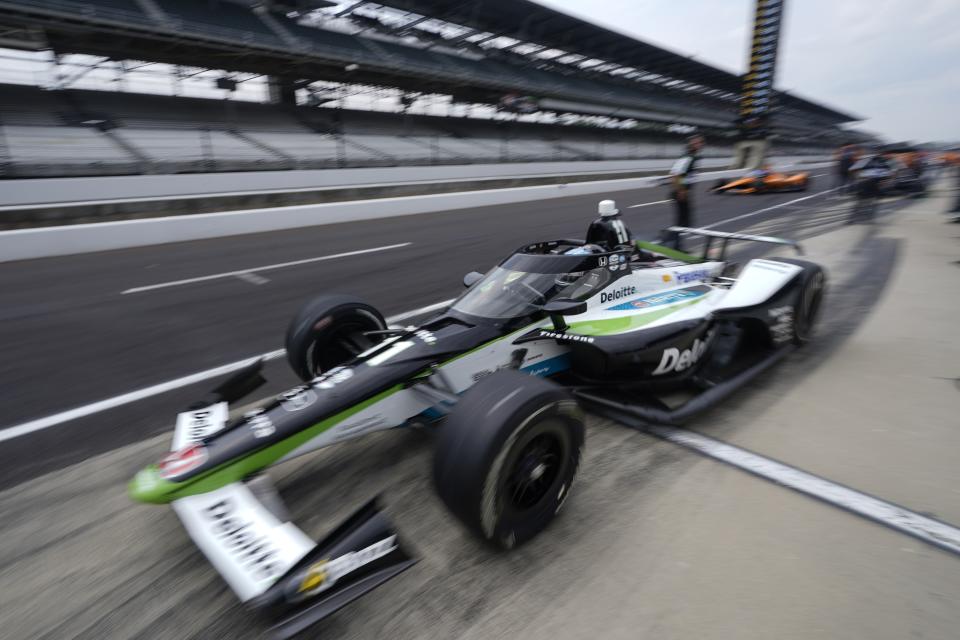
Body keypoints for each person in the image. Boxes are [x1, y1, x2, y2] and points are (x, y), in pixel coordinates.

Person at [667, 134, 704, 250]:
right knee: (681, 221)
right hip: (680, 193)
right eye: (696, 143)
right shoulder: (687, 157)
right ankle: (674, 246)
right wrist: (681, 191)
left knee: (685, 221)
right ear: (690, 144)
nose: (699, 145)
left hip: (684, 192)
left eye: (700, 143)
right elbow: (674, 174)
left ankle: (675, 245)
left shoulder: (693, 157)